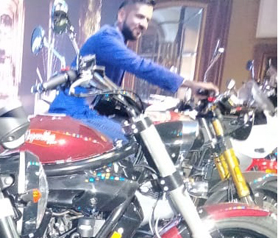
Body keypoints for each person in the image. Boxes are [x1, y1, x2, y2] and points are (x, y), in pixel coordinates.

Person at [48, 0, 219, 142]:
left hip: (86, 112)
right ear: (122, 15)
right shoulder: (106, 39)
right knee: (132, 143)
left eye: (147, 20)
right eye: (139, 16)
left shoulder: (117, 41)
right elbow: (139, 65)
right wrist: (189, 84)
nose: (144, 24)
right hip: (74, 112)